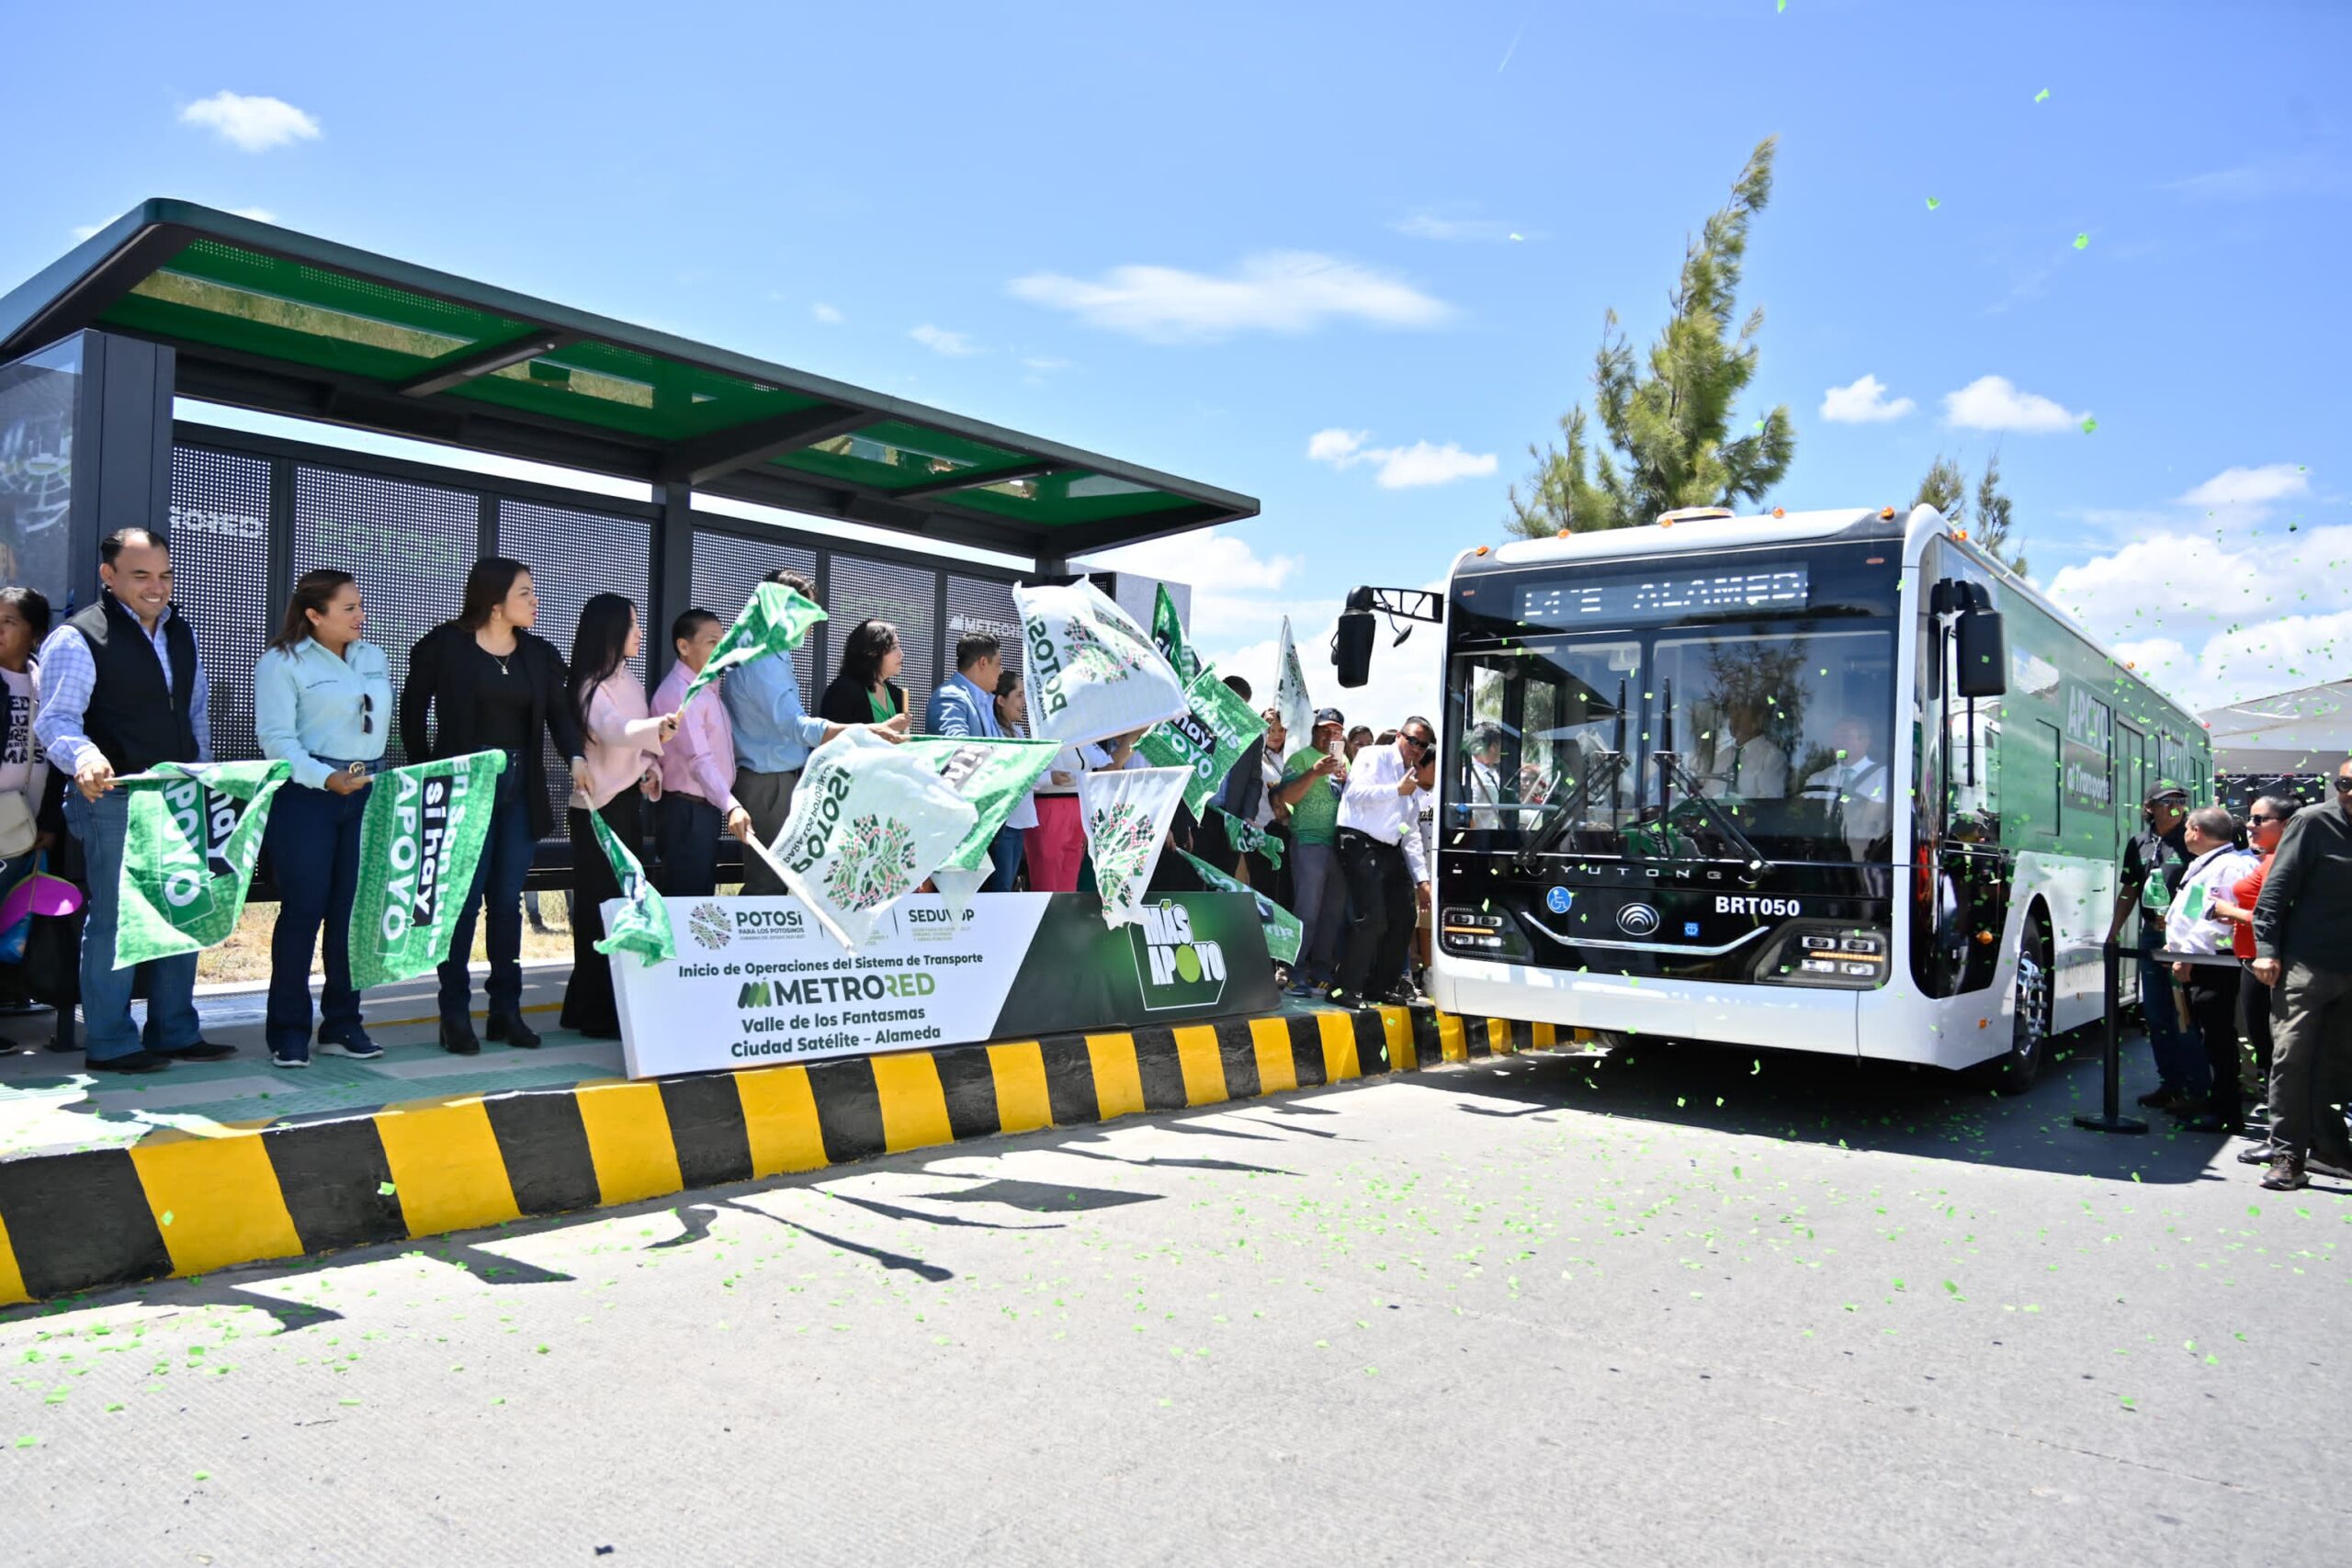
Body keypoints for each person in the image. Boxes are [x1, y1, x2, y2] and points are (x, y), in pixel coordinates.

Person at [32, 528, 234, 1071]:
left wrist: (205, 774)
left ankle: (173, 1031)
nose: (156, 586)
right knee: (118, 919)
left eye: (164, 575)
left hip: (181, 796)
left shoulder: (181, 633)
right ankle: (111, 1042)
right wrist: (85, 759)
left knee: (182, 912)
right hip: (114, 799)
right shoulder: (77, 638)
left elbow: (193, 719)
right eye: (141, 575)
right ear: (109, 576)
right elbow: (55, 719)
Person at [401, 558, 588, 1056]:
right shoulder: (445, 647)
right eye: (525, 593)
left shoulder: (537, 654)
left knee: (506, 902)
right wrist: (427, 771)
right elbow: (413, 709)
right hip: (464, 785)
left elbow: (560, 716)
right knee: (462, 903)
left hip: (520, 787)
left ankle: (506, 1012)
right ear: (494, 601)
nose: (535, 601)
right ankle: (454, 1015)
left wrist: (575, 756)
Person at [253, 570, 393, 1068]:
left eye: (360, 605)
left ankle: (342, 1023)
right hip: (307, 797)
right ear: (314, 615)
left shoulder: (371, 656)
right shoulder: (281, 663)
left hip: (368, 794)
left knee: (351, 915)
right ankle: (289, 1031)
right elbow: (277, 742)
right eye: (349, 608)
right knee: (303, 911)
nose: (361, 615)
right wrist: (324, 779)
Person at [722, 569, 906, 897]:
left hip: (777, 780)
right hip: (769, 783)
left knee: (779, 881)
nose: (811, 622)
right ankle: (754, 951)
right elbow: (797, 726)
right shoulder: (763, 661)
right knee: (768, 883)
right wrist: (869, 731)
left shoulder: (770, 656)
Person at [560, 593, 678, 1039]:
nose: (639, 633)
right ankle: (593, 1011)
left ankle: (590, 1005)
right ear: (610, 631)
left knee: (622, 903)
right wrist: (655, 730)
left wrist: (649, 767)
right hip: (595, 809)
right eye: (632, 625)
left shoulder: (626, 679)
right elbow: (614, 730)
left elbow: (634, 742)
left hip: (625, 803)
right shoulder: (591, 683)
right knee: (599, 907)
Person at [2249, 755, 2352, 1190]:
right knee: (2291, 1058)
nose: (2347, 793)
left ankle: (2329, 1146)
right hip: (2305, 966)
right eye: (2343, 784)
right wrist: (2267, 951)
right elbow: (2274, 894)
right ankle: (2288, 1154)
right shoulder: (2313, 822)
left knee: (2337, 1063)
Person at [2163, 806, 2257, 1134]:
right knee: (2212, 1039)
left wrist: (2187, 955)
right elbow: (2195, 911)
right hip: (2202, 961)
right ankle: (2219, 1105)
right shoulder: (2212, 864)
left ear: (2198, 832)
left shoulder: (2228, 866)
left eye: (2188, 827)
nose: (2185, 833)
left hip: (2213, 963)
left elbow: (2219, 921)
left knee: (2219, 1040)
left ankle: (2227, 1112)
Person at [1332, 716, 1435, 1009]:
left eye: (1422, 745)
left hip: (1389, 846)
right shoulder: (1372, 755)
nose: (1416, 747)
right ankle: (1343, 988)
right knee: (1372, 917)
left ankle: (1379, 986)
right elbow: (1354, 794)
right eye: (1412, 739)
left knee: (1404, 916)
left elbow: (1410, 830)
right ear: (1400, 735)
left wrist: (1422, 880)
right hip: (1357, 839)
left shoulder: (1411, 775)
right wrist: (1395, 791)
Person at [2213, 795, 2298, 1152]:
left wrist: (2227, 910)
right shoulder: (2267, 859)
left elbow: (2279, 917)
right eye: (2249, 818)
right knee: (2265, 1049)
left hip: (2270, 964)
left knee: (2276, 1050)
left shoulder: (2285, 861)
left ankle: (2287, 1138)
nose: (2249, 826)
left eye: (2259, 820)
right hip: (2251, 959)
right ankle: (2280, 1134)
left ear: (2286, 825)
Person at [650, 609, 752, 899]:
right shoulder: (681, 694)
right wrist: (731, 805)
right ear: (684, 646)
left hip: (703, 810)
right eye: (712, 642)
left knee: (699, 897)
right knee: (688, 902)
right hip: (686, 813)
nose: (721, 649)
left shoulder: (708, 688)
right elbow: (699, 760)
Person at [2108, 785, 2197, 1110]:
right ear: (2149, 807)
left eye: (2180, 801)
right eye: (2167, 802)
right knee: (2158, 1015)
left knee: (2185, 1014)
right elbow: (2130, 889)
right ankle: (2169, 1083)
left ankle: (2195, 1088)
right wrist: (2114, 931)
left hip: (2184, 938)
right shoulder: (2140, 843)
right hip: (2151, 935)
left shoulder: (2192, 839)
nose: (2175, 807)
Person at [925, 632, 1024, 891]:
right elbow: (955, 748)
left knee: (990, 910)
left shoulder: (985, 702)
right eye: (998, 664)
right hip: (964, 831)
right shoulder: (950, 696)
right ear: (983, 662)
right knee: (965, 914)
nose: (1001, 672)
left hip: (989, 825)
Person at [1276, 707, 1349, 997]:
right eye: (1324, 729)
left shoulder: (1346, 763)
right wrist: (1315, 772)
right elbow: (1286, 797)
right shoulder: (1300, 758)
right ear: (1314, 730)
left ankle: (1321, 969)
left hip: (1337, 846)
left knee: (1331, 912)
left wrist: (1345, 781)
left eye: (1336, 730)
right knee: (1306, 911)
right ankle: (1293, 971)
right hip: (1308, 842)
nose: (1329, 734)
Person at [0, 586, 52, 892]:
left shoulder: (46, 682)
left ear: (36, 632)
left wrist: (49, 823)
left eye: (9, 621)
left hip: (28, 829)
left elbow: (57, 757)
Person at [1194, 676, 1263, 876]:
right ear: (1220, 697)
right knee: (1193, 881)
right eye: (1234, 703)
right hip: (1197, 818)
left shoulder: (1252, 737)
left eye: (1244, 706)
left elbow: (1254, 782)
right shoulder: (1197, 726)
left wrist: (1247, 816)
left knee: (1222, 882)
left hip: (1230, 822)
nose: (1238, 711)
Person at [1804, 716, 1891, 859]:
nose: (1838, 743)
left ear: (1866, 741)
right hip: (1823, 859)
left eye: (1845, 736)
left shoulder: (1886, 777)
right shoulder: (1818, 779)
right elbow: (1806, 820)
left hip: (1868, 858)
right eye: (1835, 737)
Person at [993, 668, 1038, 886]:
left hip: (1019, 824)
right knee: (999, 891)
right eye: (1019, 695)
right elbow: (1015, 773)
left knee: (1007, 889)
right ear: (1001, 700)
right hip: (1003, 825)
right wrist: (1049, 779)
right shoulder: (994, 732)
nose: (1024, 701)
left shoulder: (1018, 732)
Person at [820, 618, 909, 727]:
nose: (901, 654)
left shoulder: (897, 695)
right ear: (871, 651)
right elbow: (833, 738)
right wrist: (886, 728)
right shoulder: (843, 691)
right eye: (894, 647)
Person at [1699, 699, 1788, 799]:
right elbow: (1709, 793)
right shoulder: (1725, 755)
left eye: (1739, 716)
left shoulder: (1771, 756)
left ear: (1757, 722)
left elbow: (1768, 801)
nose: (1733, 721)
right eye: (1731, 716)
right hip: (1713, 815)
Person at [1464, 721, 1506, 831]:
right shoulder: (1472, 776)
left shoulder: (1492, 773)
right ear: (1493, 747)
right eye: (1501, 745)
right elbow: (1469, 815)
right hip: (1482, 842)